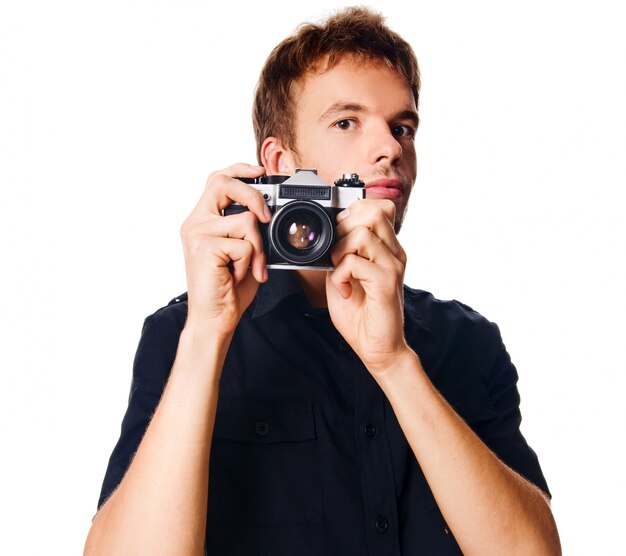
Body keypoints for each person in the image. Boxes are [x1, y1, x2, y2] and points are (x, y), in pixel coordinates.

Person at [84, 7, 561, 555]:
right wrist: (205, 338)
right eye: (346, 122)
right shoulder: (186, 334)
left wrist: (395, 362)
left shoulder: (467, 343)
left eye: (402, 127)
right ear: (279, 160)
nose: (390, 149)